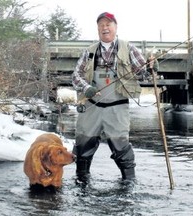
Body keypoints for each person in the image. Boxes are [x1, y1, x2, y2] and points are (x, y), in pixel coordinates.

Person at [71, 12, 150, 184]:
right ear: (98, 29)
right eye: (101, 25)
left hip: (117, 107)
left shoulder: (129, 49)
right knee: (82, 145)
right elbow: (76, 76)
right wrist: (87, 88)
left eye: (108, 24)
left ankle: (129, 183)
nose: (104, 28)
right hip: (91, 107)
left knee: (121, 147)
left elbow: (143, 74)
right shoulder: (89, 51)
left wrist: (151, 69)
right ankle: (82, 181)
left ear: (115, 27)